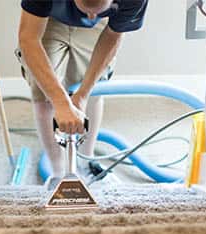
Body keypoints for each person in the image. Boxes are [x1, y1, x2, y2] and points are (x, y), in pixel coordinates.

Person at [16, 0, 149, 183]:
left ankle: (87, 162)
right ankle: (58, 173)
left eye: (95, 11)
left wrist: (83, 94)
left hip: (102, 25)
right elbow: (28, 39)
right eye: (88, 10)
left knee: (93, 88)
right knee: (43, 92)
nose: (91, 16)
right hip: (48, 17)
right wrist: (61, 102)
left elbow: (114, 35)